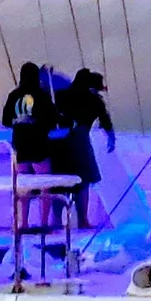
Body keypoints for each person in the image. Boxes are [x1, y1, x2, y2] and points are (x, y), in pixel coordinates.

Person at [54, 68, 117, 228]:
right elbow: (105, 121)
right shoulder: (94, 100)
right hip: (81, 142)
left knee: (59, 182)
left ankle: (55, 221)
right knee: (83, 182)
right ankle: (82, 219)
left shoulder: (61, 95)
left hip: (59, 143)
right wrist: (111, 138)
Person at [3, 62, 61, 229]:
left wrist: (20, 122)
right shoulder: (42, 96)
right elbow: (52, 120)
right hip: (39, 145)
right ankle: (43, 224)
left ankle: (23, 224)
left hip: (20, 146)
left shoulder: (13, 96)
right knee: (44, 186)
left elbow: (6, 121)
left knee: (23, 187)